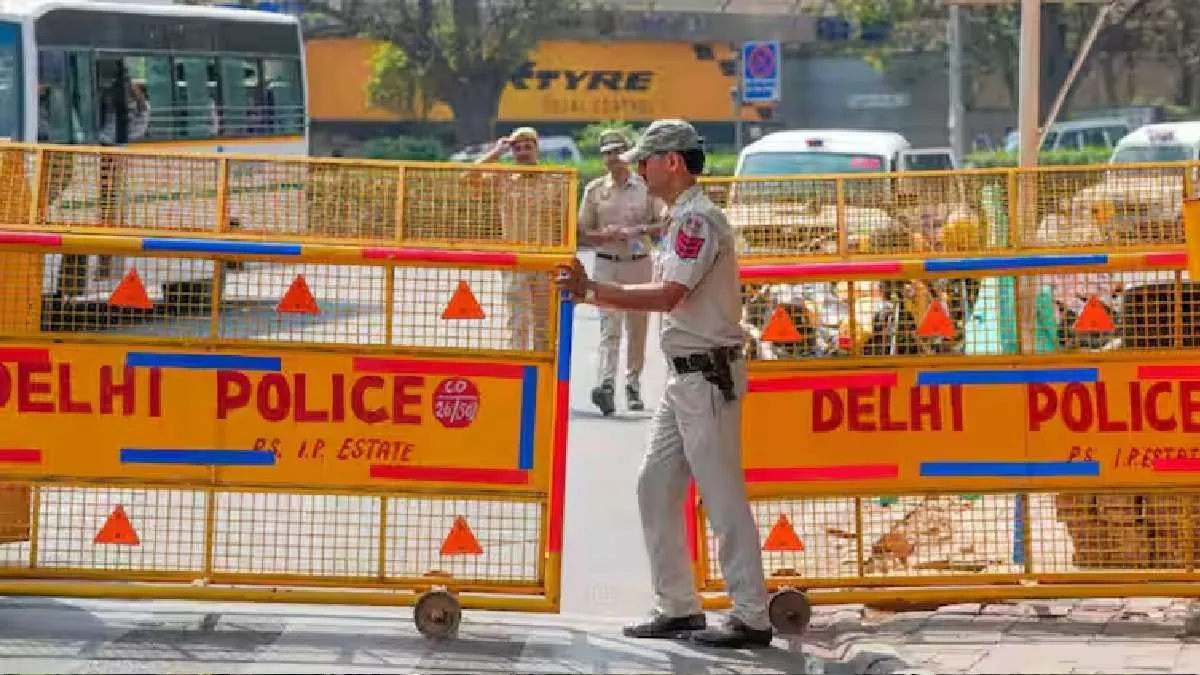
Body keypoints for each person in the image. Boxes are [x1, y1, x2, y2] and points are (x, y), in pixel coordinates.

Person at [554, 119, 773, 649]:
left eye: (646, 160)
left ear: (672, 162)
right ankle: (678, 606)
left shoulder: (699, 221)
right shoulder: (681, 219)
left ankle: (751, 614)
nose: (638, 169)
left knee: (722, 499)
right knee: (654, 486)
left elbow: (670, 293)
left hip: (706, 377)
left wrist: (593, 292)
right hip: (686, 380)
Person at [577, 129, 668, 414]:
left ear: (628, 155)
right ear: (603, 158)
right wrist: (602, 235)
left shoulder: (646, 188)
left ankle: (633, 383)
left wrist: (637, 230)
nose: (614, 158)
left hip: (639, 262)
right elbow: (583, 232)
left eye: (618, 151)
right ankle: (605, 384)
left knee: (638, 328)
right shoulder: (594, 191)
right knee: (609, 327)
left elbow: (662, 223)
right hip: (607, 262)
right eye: (608, 153)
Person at [474, 126, 567, 352]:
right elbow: (466, 177)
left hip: (546, 262)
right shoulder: (503, 180)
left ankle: (541, 379)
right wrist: (496, 152)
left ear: (537, 149)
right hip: (515, 262)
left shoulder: (555, 182)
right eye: (517, 148)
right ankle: (519, 376)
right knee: (517, 323)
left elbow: (563, 224)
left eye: (528, 147)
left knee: (545, 324)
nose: (523, 152)